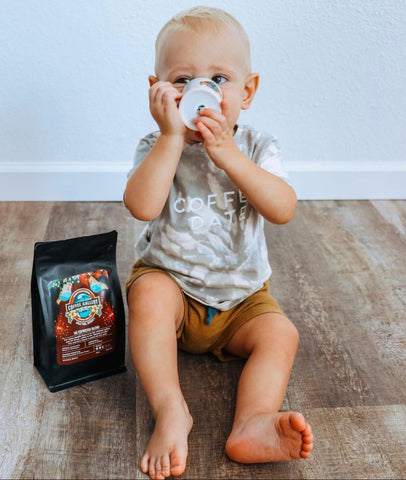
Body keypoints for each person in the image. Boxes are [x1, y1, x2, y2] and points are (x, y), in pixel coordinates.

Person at [124, 6, 313, 480]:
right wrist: (171, 138)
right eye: (183, 80)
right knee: (147, 295)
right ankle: (171, 411)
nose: (200, 93)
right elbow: (141, 206)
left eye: (219, 79)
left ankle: (252, 422)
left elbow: (283, 207)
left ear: (246, 92)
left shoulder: (256, 146)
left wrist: (230, 157)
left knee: (281, 334)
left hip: (243, 299)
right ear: (158, 90)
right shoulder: (156, 143)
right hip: (175, 292)